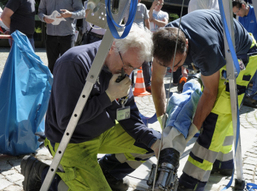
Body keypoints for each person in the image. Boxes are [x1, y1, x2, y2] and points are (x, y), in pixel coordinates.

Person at [20, 24, 161, 191]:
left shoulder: (121, 66)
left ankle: (107, 175)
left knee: (149, 142)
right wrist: (108, 96)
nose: (128, 72)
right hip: (70, 140)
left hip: (102, 131)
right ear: (112, 46)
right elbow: (65, 122)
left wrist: (154, 142)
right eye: (127, 65)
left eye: (133, 68)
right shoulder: (74, 62)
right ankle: (43, 176)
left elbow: (128, 114)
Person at [151, 9, 257, 191]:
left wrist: (193, 128)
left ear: (186, 44)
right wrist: (163, 117)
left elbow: (210, 93)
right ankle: (224, 164)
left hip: (244, 55)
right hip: (220, 44)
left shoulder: (205, 49)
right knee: (217, 114)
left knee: (217, 116)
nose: (172, 69)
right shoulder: (162, 42)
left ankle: (192, 182)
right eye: (166, 66)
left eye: (177, 65)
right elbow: (156, 80)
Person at [38, 0, 85, 73]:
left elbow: (82, 12)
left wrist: (70, 14)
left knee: (67, 66)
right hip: (51, 36)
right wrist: (44, 18)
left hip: (68, 35)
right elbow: (40, 12)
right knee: (52, 66)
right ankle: (52, 85)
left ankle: (66, 85)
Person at [232, 0, 257, 105]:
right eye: (235, 13)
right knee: (243, 69)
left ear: (243, 6)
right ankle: (244, 93)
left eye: (237, 11)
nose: (237, 14)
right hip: (245, 47)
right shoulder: (241, 17)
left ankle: (256, 96)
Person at [124, 0, 151, 92]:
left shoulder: (143, 6)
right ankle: (129, 83)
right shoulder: (126, 5)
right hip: (130, 36)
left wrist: (149, 34)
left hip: (142, 36)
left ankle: (148, 83)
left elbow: (146, 21)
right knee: (129, 59)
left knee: (146, 61)